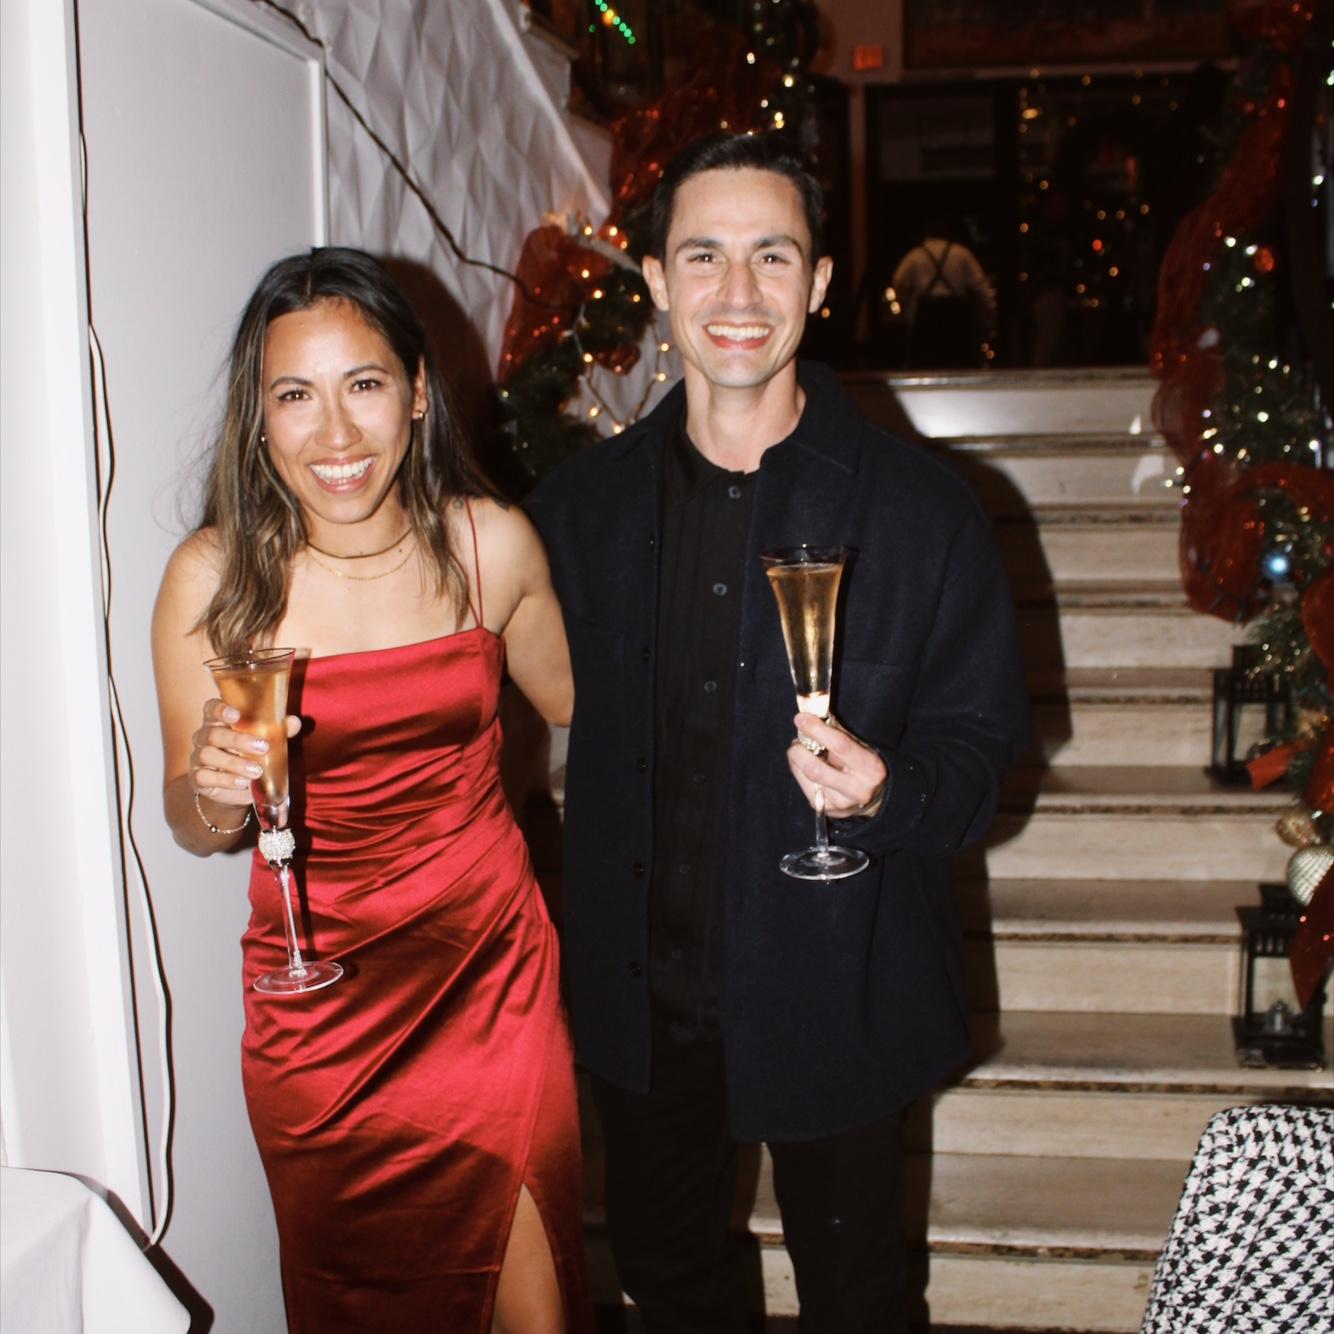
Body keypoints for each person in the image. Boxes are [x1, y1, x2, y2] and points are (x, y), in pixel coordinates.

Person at [528, 134, 1030, 1333]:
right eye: (702, 255)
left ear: (818, 281)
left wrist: (887, 791)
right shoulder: (574, 513)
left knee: (858, 1299)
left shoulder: (922, 511)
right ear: (655, 279)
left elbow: (979, 755)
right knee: (671, 1283)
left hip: (839, 981)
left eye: (772, 255)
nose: (737, 292)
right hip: (643, 999)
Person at [151, 247, 591, 1334]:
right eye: (295, 395)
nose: (336, 433)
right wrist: (216, 787)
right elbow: (191, 821)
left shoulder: (490, 548)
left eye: (364, 384)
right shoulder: (214, 576)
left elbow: (590, 710)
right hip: (319, 1006)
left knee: (534, 1305)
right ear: (258, 419)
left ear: (417, 393)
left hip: (492, 979)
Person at [891, 217, 996, 368]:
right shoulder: (962, 254)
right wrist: (988, 313)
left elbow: (898, 282)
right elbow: (980, 286)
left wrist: (905, 308)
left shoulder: (916, 255)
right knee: (958, 363)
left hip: (926, 317)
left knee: (926, 364)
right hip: (956, 317)